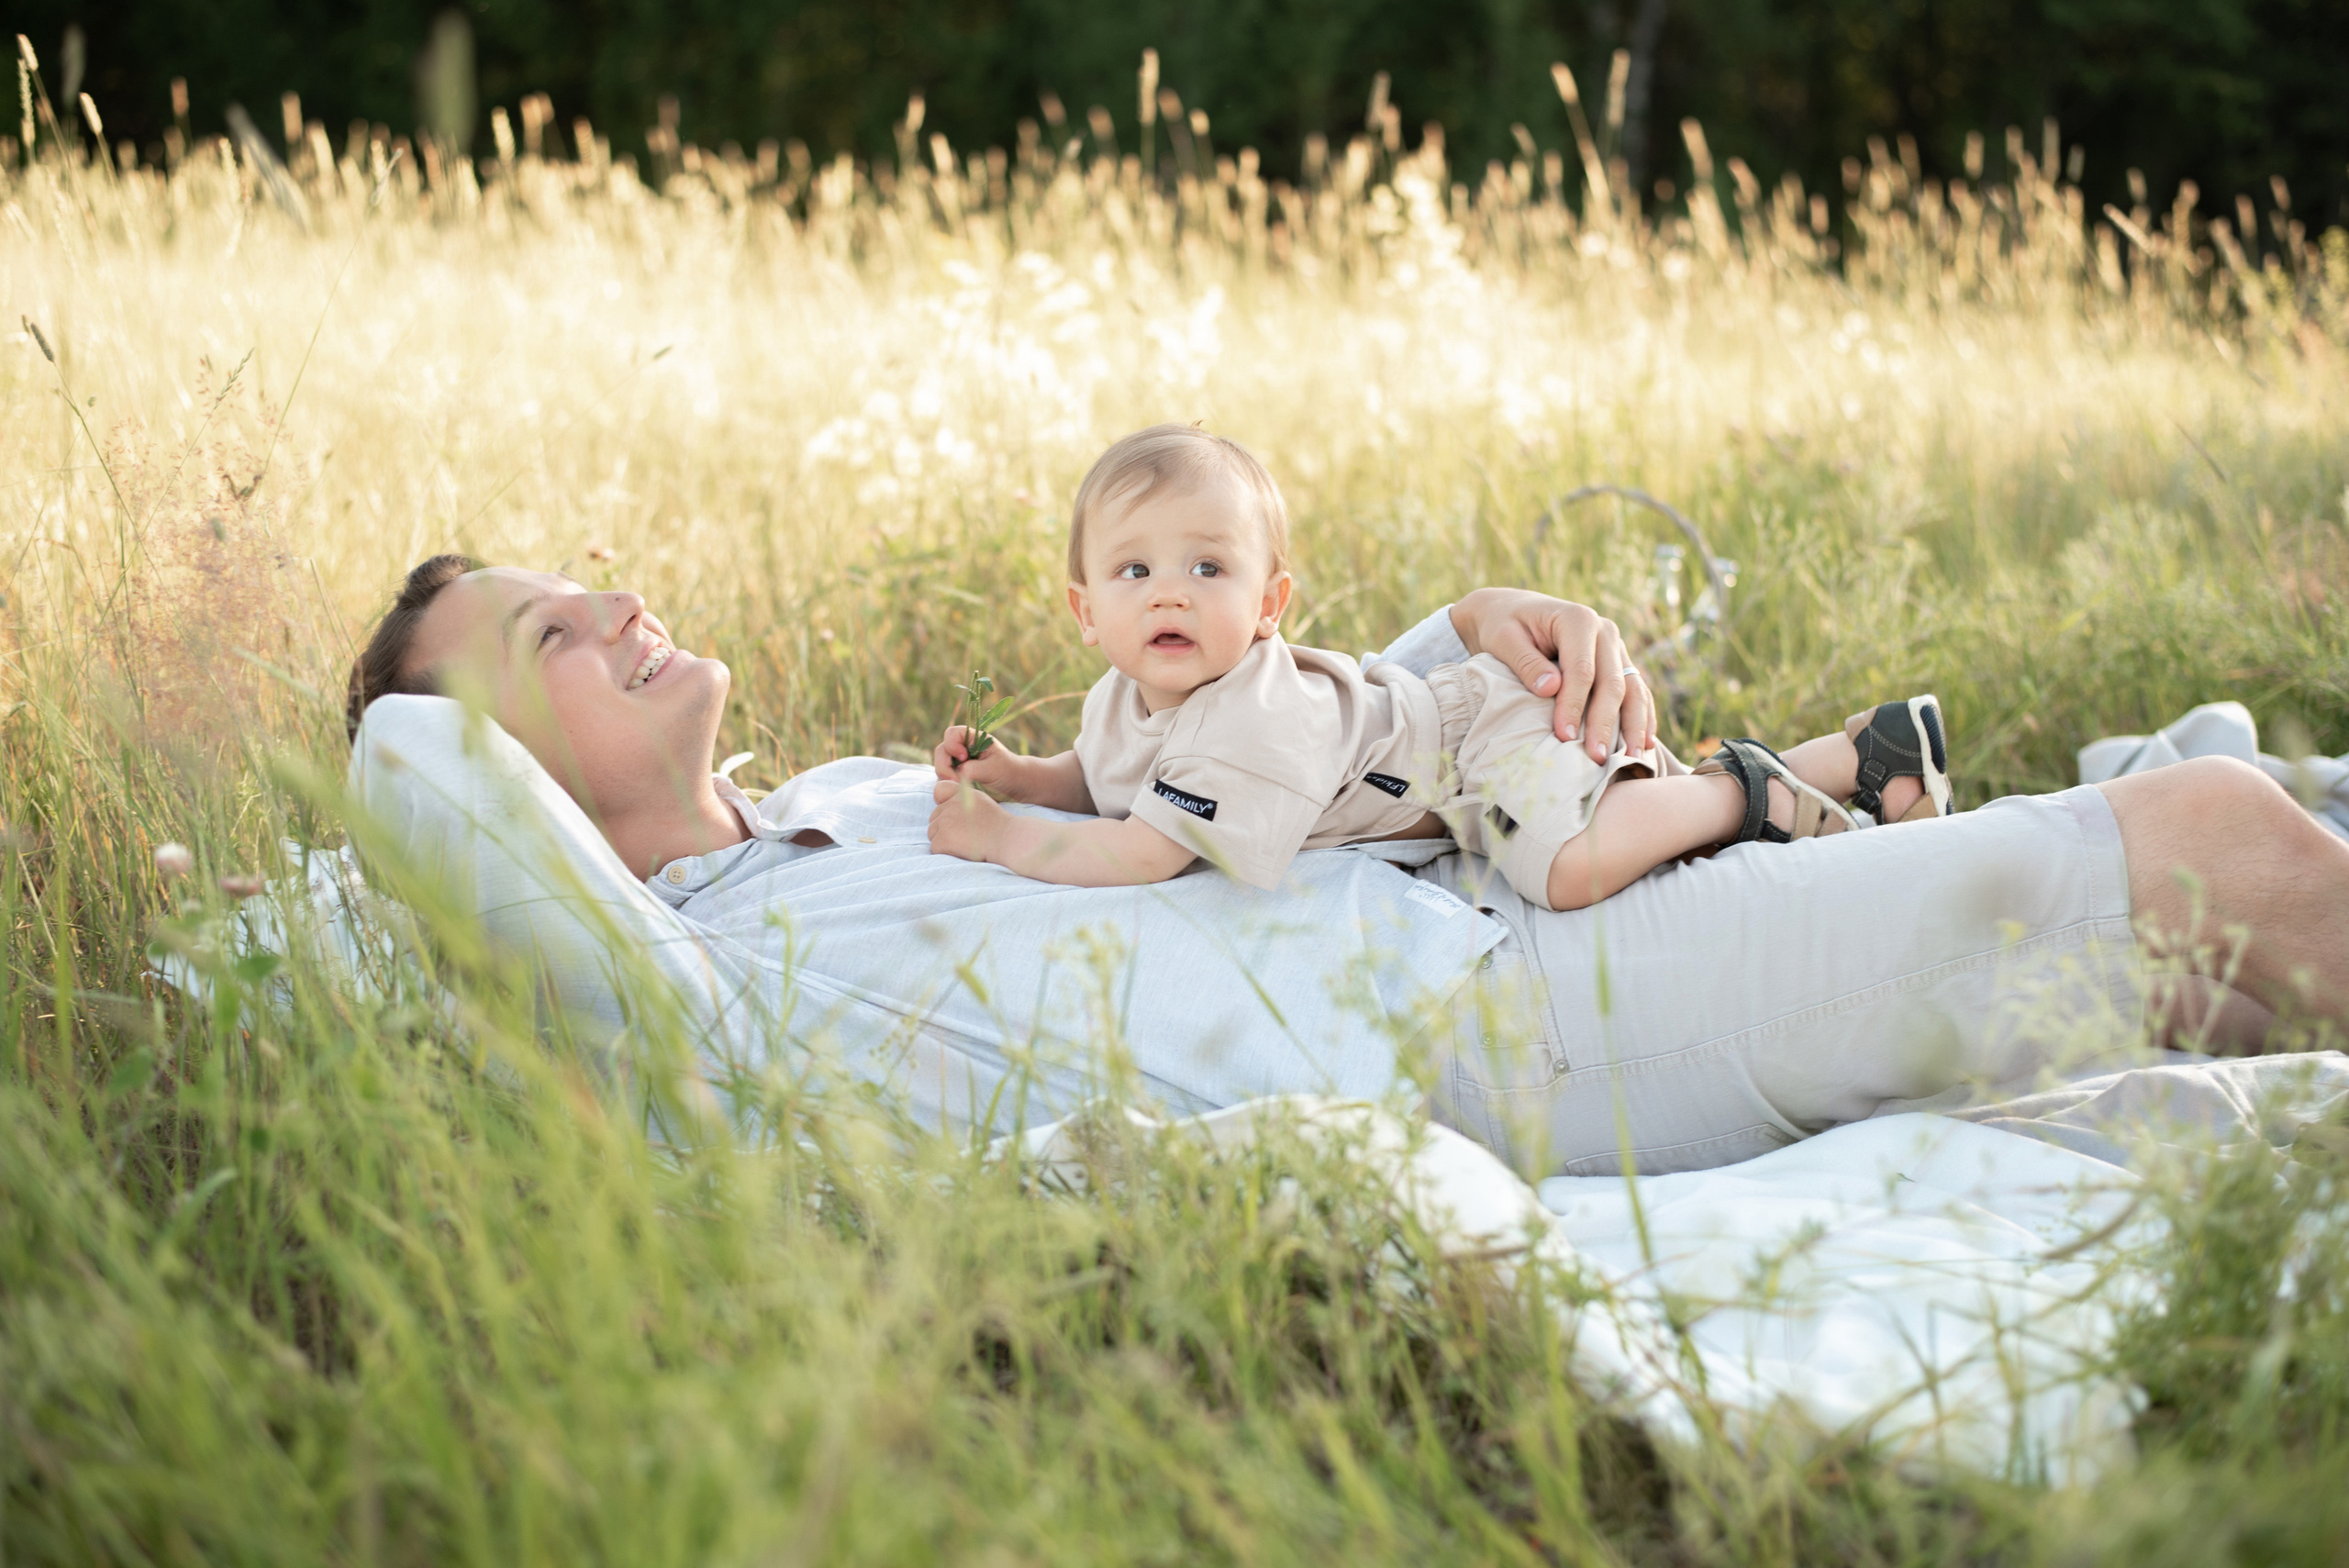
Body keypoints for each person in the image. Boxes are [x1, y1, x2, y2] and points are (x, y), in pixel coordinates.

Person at [344, 554, 2349, 1176]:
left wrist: (1455, 635)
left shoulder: (866, 793)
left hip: (1481, 883)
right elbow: (415, 794)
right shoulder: (715, 984)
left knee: (2188, 960)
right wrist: (415, 763)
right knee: (2206, 843)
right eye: (546, 636)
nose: (612, 595)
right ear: (509, 773)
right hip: (1512, 1026)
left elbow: (1233, 772)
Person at [927, 426, 1949, 911]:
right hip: (1445, 743)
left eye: (1209, 565)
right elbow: (1105, 779)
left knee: (1570, 864)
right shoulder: (1130, 693)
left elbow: (1147, 852)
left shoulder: (1246, 711)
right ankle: (1864, 755)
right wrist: (1022, 776)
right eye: (1133, 570)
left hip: (1469, 739)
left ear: (1272, 603)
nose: (1169, 593)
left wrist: (1000, 837)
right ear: (1085, 611)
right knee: (1631, 813)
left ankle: (1747, 795)